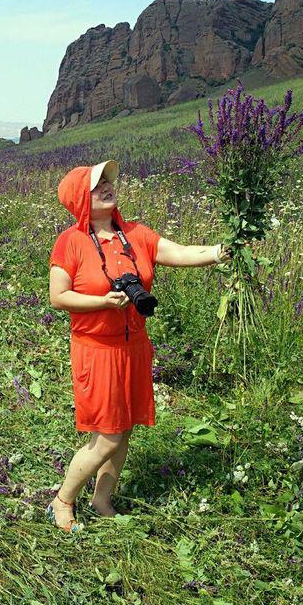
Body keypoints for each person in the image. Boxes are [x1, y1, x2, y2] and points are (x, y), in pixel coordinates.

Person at [47, 159, 231, 532]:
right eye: (97, 186)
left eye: (108, 183)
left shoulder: (135, 234)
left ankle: (102, 499)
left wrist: (217, 252)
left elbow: (177, 252)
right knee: (107, 436)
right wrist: (102, 302)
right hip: (97, 349)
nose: (107, 189)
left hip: (134, 346)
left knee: (125, 428)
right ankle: (63, 500)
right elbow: (58, 296)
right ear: (81, 199)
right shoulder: (72, 242)